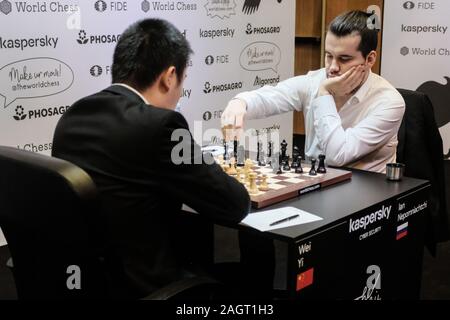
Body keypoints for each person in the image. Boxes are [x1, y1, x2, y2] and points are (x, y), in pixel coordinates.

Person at [52, 19, 250, 299]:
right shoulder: (162, 126)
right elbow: (234, 204)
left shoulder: (72, 117)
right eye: (182, 81)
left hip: (86, 280)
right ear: (170, 76)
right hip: (150, 287)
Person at [222, 10, 405, 173]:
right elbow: (273, 96)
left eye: (344, 59)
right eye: (328, 56)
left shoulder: (389, 102)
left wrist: (324, 93)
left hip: (368, 200)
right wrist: (240, 103)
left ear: (370, 59)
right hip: (316, 184)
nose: (332, 67)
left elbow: (337, 156)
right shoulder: (314, 81)